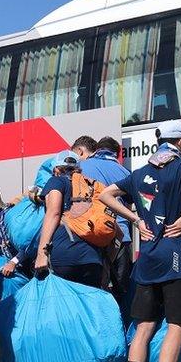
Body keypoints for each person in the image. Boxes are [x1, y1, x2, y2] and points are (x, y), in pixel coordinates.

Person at [100, 120, 181, 362]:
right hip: (175, 257)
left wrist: (135, 219)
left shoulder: (139, 173)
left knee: (144, 325)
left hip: (146, 259)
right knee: (177, 324)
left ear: (158, 139)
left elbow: (105, 196)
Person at [35, 150, 107, 362]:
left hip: (66, 254)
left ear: (56, 170)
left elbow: (53, 213)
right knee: (88, 317)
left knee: (65, 318)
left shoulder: (56, 182)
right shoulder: (88, 186)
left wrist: (42, 251)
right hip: (92, 258)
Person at [80, 136, 133, 317]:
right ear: (117, 154)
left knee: (94, 289)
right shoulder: (124, 172)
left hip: (90, 236)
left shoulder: (83, 166)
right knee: (122, 290)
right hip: (121, 237)